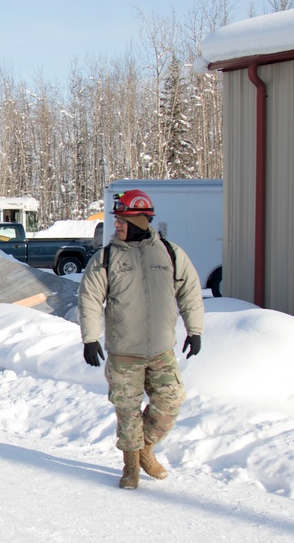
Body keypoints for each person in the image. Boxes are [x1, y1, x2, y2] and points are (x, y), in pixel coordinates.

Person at [77, 189, 204, 490]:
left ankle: (144, 449)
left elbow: (190, 291)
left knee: (170, 401)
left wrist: (195, 330)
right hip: (124, 352)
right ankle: (131, 465)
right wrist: (90, 338)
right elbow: (90, 299)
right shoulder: (106, 258)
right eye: (117, 219)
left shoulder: (170, 253)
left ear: (140, 221)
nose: (117, 225)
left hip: (161, 350)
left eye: (122, 219)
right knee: (128, 411)